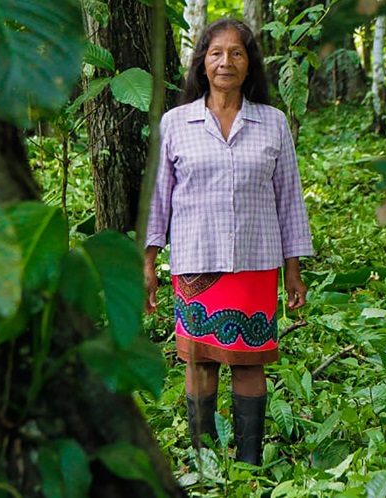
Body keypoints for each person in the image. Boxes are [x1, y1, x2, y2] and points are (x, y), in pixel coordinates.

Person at [144, 18, 313, 466]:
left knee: (248, 361)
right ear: (201, 63)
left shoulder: (272, 123)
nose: (226, 62)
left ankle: (249, 464)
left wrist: (293, 268)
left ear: (249, 64)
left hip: (256, 261)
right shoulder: (176, 123)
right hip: (197, 262)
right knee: (200, 361)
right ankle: (204, 461)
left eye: (236, 53)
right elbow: (158, 198)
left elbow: (289, 197)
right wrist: (148, 261)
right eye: (216, 53)